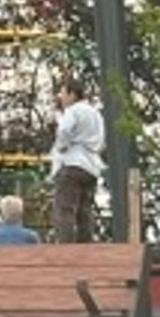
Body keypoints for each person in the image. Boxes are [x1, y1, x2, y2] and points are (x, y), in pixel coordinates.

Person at [49, 77, 105, 243]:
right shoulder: (95, 113)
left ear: (72, 94)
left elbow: (64, 130)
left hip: (72, 162)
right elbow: (101, 141)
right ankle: (85, 247)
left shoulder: (73, 111)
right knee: (84, 212)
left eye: (63, 93)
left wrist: (61, 146)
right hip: (91, 166)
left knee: (65, 209)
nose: (61, 97)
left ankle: (65, 248)